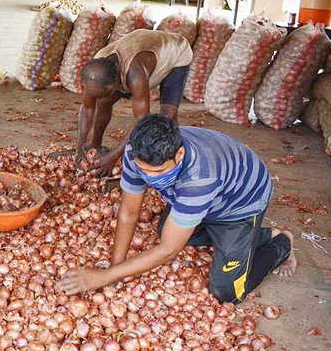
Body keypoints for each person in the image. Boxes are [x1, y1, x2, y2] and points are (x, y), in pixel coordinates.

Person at [59, 115, 297, 304]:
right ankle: (253, 237)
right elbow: (129, 212)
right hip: (210, 195)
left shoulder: (200, 179)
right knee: (167, 231)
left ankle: (282, 243)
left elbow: (168, 250)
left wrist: (104, 277)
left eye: (158, 172)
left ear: (179, 154)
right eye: (144, 171)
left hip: (241, 202)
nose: (149, 178)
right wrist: (114, 269)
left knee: (226, 293)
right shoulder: (135, 153)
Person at [74, 29, 193, 176]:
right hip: (142, 46)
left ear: (116, 83)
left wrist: (113, 156)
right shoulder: (96, 71)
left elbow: (143, 121)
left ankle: (169, 159)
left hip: (176, 53)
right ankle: (95, 144)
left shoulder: (135, 74)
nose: (98, 96)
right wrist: (79, 148)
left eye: (104, 92)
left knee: (168, 115)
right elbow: (87, 108)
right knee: (103, 102)